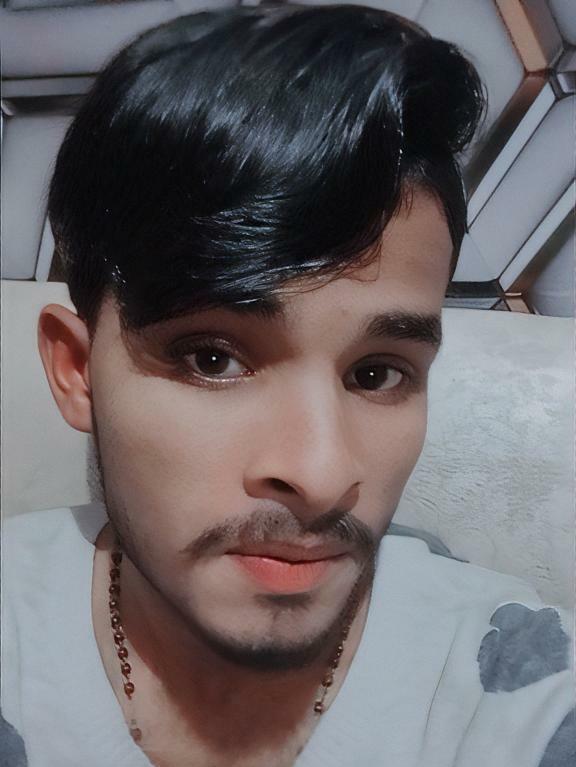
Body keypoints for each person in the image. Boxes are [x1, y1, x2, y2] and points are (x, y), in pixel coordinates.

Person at [1, 4, 574, 766]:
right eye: (212, 359)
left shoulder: (513, 684)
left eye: (376, 373)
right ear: (77, 369)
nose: (322, 474)